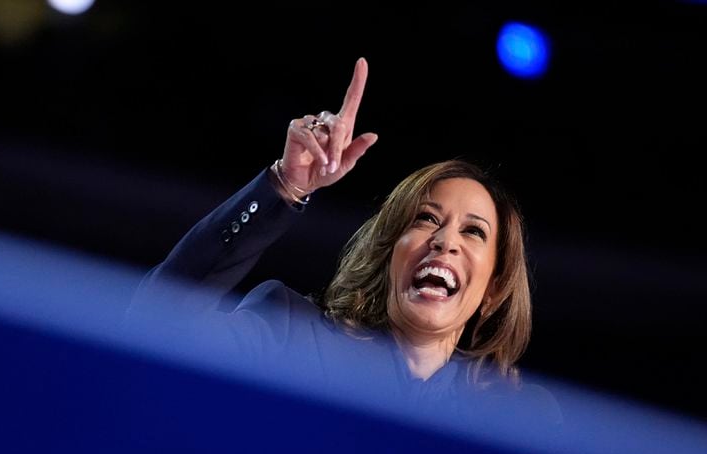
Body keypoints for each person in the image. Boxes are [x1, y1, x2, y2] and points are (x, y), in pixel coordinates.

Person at [125, 58, 561, 429]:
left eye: (473, 231)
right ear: (390, 251)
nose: (444, 240)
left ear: (494, 287)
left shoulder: (518, 417)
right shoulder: (290, 332)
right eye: (426, 219)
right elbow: (157, 321)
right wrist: (284, 186)